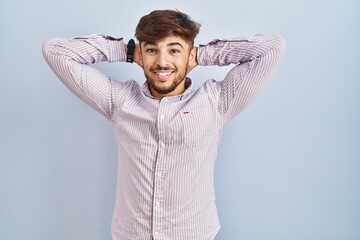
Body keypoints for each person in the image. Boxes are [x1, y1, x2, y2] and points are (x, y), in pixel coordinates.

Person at [42, 9, 285, 240]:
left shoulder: (216, 102)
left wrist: (201, 54)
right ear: (140, 54)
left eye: (173, 50)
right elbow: (55, 51)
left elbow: (271, 47)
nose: (162, 61)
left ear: (188, 54)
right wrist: (126, 50)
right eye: (152, 50)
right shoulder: (118, 101)